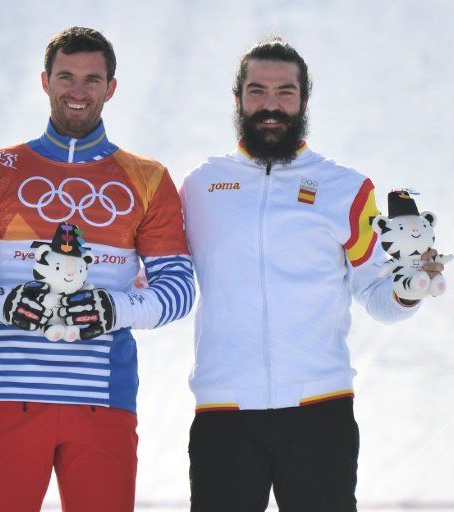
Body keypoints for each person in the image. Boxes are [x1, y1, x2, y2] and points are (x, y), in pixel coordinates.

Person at [180, 37, 448, 512]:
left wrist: (410, 289)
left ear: (304, 99)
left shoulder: (345, 187)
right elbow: (170, 269)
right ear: (238, 97)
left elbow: (375, 295)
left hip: (319, 412)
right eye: (257, 90)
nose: (271, 105)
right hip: (224, 412)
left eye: (285, 92)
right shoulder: (201, 186)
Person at [0, 26, 195, 512]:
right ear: (45, 81)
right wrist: (5, 304)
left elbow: (179, 290)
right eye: (66, 77)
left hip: (103, 401)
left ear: (111, 88)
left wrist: (112, 310)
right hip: (9, 397)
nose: (78, 91)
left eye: (92, 80)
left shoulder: (149, 178)